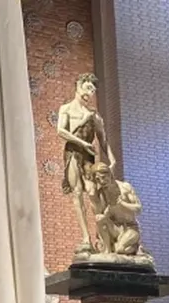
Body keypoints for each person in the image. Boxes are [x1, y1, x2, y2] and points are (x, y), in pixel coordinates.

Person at [56, 73, 114, 254]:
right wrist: (82, 143)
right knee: (77, 193)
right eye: (88, 88)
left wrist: (112, 158)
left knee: (92, 191)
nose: (90, 93)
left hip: (88, 156)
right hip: (74, 152)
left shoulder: (94, 115)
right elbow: (61, 131)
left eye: (93, 90)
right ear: (79, 86)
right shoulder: (66, 109)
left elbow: (102, 139)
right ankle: (85, 238)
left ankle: (103, 237)